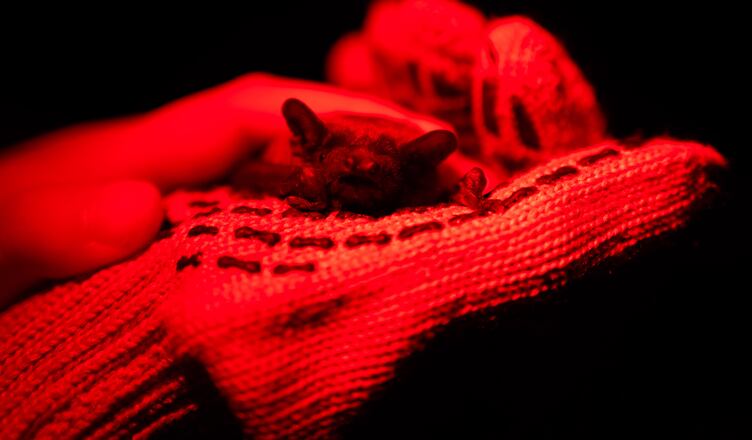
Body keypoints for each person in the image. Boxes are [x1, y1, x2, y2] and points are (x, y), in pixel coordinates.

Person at [0, 73, 449, 308]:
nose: (362, 166)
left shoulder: (415, 183)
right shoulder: (290, 168)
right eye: (349, 160)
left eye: (379, 165)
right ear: (309, 148)